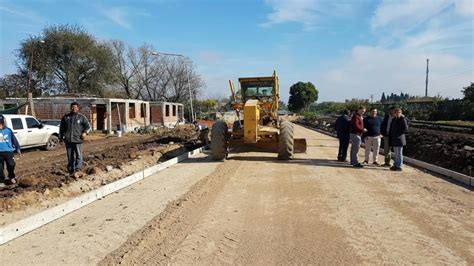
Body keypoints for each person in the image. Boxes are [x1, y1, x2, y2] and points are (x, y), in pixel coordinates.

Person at [60, 102, 91, 176]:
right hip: (68, 141)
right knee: (70, 156)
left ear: (78, 108)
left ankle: (78, 169)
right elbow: (61, 128)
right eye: (72, 107)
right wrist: (61, 137)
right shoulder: (66, 117)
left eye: (76, 107)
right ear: (70, 108)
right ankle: (71, 171)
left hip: (78, 140)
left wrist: (85, 133)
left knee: (79, 155)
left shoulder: (81, 117)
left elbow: (88, 127)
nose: (74, 108)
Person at [0, 115, 21, 186]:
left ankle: (11, 177)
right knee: (0, 168)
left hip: (8, 151)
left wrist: (18, 148)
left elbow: (14, 139)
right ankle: (1, 181)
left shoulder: (8, 130)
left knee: (11, 164)